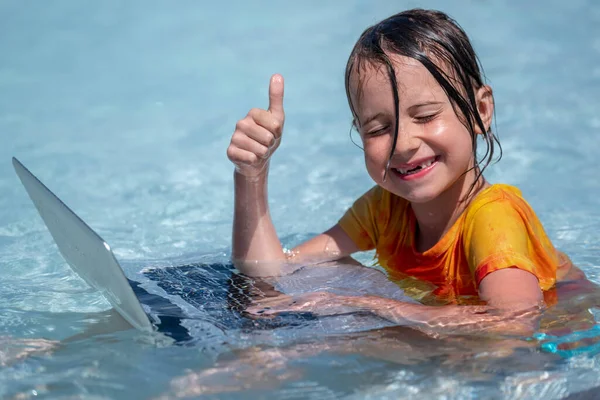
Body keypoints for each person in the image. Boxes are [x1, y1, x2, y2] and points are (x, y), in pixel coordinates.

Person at [226, 9, 589, 334]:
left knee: (347, 318)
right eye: (378, 128)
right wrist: (251, 174)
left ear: (480, 110)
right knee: (326, 277)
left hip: (563, 350)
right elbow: (274, 269)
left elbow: (513, 325)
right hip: (464, 334)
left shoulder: (494, 219)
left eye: (426, 116)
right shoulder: (385, 208)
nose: (402, 144)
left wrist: (372, 306)